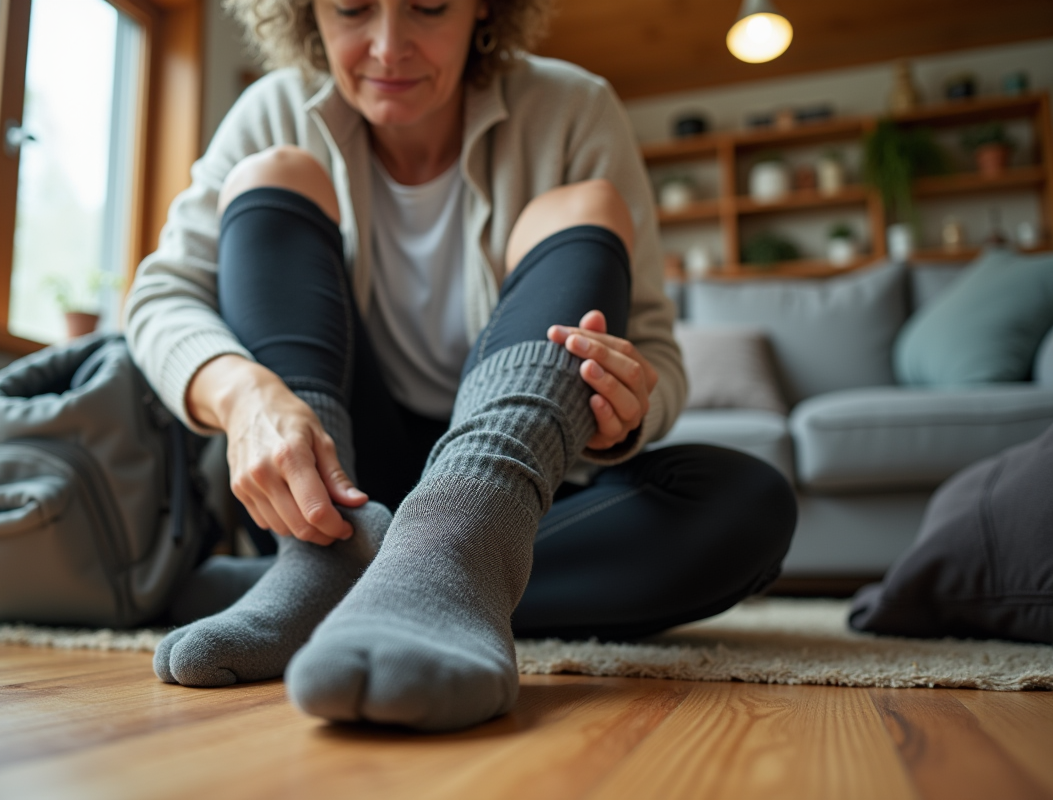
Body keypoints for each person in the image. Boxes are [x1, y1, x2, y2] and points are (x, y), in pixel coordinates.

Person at [124, 0, 796, 732]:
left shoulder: (574, 107)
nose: (388, 46)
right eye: (351, 8)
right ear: (306, 13)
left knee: (746, 502)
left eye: (428, 6)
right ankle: (349, 570)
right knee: (271, 174)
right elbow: (160, 295)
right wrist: (243, 395)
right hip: (331, 498)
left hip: (513, 485)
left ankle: (445, 557)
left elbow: (657, 350)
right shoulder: (272, 109)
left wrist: (625, 410)